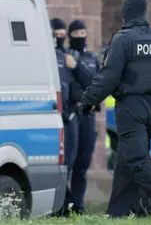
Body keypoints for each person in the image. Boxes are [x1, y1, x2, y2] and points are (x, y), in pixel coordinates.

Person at [78, 0, 151, 218]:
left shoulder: (124, 39)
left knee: (137, 159)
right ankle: (118, 213)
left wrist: (88, 101)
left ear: (126, 12)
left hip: (130, 105)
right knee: (126, 161)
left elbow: (108, 76)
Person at [66, 19, 101, 214]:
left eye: (83, 34)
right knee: (69, 160)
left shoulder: (90, 57)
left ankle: (78, 205)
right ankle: (65, 203)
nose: (80, 37)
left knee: (84, 161)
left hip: (88, 113)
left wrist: (77, 66)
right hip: (71, 113)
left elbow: (95, 83)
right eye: (76, 34)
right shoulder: (64, 56)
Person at [50, 18, 78, 217]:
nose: (60, 39)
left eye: (62, 36)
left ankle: (67, 204)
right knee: (57, 161)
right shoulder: (46, 56)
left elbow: (79, 84)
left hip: (69, 115)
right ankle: (59, 205)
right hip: (52, 113)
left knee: (70, 161)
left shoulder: (67, 56)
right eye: (56, 36)